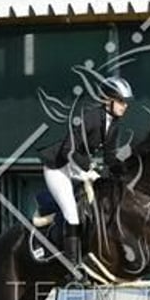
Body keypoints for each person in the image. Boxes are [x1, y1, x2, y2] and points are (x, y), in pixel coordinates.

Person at [37, 75, 133, 269]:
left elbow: (109, 158)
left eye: (126, 102)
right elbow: (68, 149)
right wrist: (89, 168)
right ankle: (72, 267)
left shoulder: (113, 124)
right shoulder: (91, 117)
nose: (125, 106)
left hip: (76, 168)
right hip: (58, 167)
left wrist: (127, 171)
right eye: (121, 101)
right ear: (108, 100)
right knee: (72, 214)